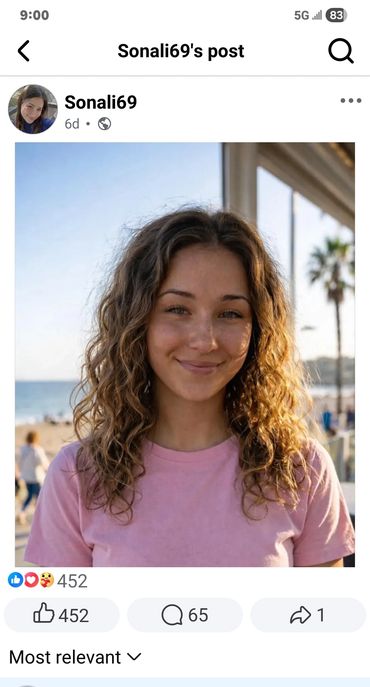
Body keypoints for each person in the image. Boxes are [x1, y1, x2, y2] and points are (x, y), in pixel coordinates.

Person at [24, 208, 355, 567]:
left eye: (230, 313)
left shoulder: (303, 469)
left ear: (258, 329)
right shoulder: (76, 475)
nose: (204, 340)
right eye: (178, 309)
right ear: (137, 320)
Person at [18, 431, 49, 524]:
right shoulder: (37, 449)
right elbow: (43, 463)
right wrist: (49, 470)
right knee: (39, 497)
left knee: (32, 496)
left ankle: (25, 513)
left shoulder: (23, 449)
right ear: (36, 438)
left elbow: (19, 463)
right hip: (36, 478)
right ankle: (37, 516)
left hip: (26, 477)